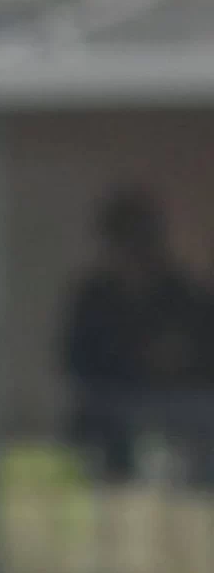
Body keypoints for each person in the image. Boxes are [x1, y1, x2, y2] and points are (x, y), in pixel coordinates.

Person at [64, 187, 209, 483]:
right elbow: (74, 360)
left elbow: (205, 348)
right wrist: (131, 359)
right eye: (125, 241)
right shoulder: (93, 296)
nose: (134, 251)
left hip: (178, 401)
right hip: (109, 403)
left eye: (142, 240)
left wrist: (178, 360)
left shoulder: (182, 292)